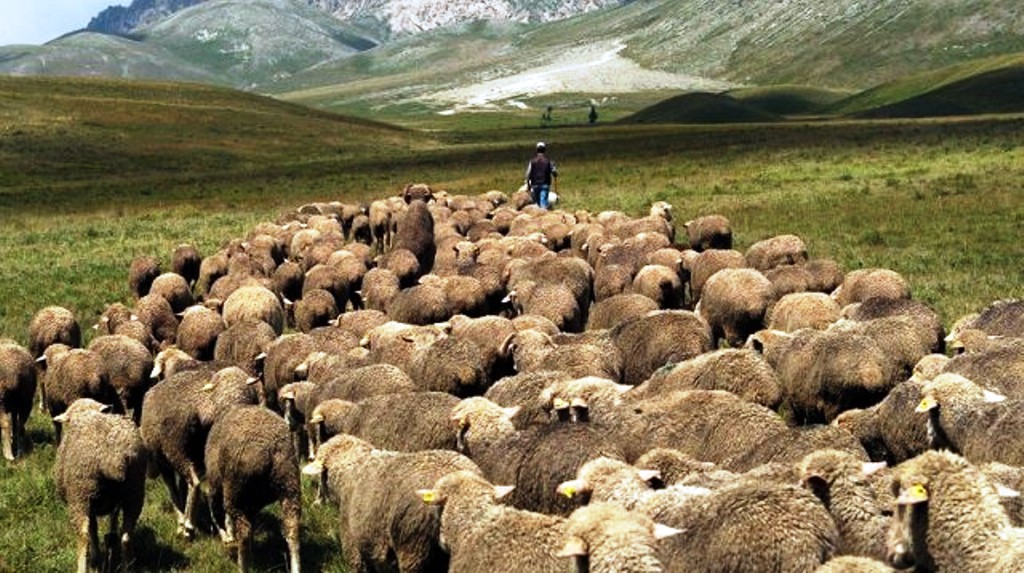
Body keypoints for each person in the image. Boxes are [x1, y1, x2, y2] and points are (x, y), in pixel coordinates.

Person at [525, 141, 558, 209]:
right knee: (543, 204)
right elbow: (554, 172)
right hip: (545, 184)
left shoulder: (532, 161)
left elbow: (527, 174)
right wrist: (554, 173)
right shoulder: (548, 161)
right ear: (544, 150)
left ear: (537, 150)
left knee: (536, 204)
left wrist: (528, 185)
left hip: (535, 185)